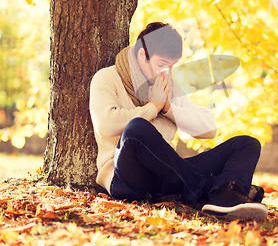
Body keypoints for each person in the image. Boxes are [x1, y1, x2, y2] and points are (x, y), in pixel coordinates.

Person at [89, 22, 267, 221]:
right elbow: (106, 124)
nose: (165, 72)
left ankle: (225, 197)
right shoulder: (107, 77)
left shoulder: (169, 87)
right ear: (142, 56)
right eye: (161, 64)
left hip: (169, 176)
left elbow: (209, 128)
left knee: (247, 144)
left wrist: (168, 108)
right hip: (128, 179)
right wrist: (153, 107)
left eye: (171, 66)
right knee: (137, 129)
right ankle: (210, 191)